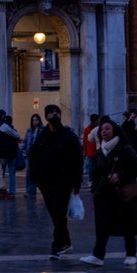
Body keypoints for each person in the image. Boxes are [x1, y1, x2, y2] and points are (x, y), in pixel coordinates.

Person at [81, 118, 137, 267]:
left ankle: (131, 254)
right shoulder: (100, 151)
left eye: (107, 129)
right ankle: (98, 255)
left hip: (122, 192)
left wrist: (120, 175)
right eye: (102, 129)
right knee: (102, 225)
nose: (104, 132)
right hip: (104, 193)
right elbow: (96, 171)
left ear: (114, 130)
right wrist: (95, 188)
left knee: (128, 223)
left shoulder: (124, 148)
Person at [29, 104, 84, 259]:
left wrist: (76, 182)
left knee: (59, 213)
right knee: (55, 214)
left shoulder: (69, 136)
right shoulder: (42, 135)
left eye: (57, 112)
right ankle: (65, 242)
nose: (54, 114)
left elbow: (77, 160)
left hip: (63, 181)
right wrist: (35, 179)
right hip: (46, 182)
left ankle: (57, 245)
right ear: (46, 116)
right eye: (51, 112)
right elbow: (34, 157)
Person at [0, 111, 21, 198]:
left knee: (0, 173)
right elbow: (17, 138)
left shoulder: (0, 129)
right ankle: (12, 191)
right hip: (12, 154)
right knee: (12, 174)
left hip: (3, 154)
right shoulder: (13, 130)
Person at [21, 113, 44, 197]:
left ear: (39, 120)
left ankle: (45, 190)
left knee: (40, 174)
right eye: (33, 120)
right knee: (29, 174)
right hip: (30, 155)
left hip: (39, 156)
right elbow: (25, 141)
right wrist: (20, 148)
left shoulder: (43, 130)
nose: (35, 121)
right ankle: (30, 191)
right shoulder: (29, 130)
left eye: (36, 120)